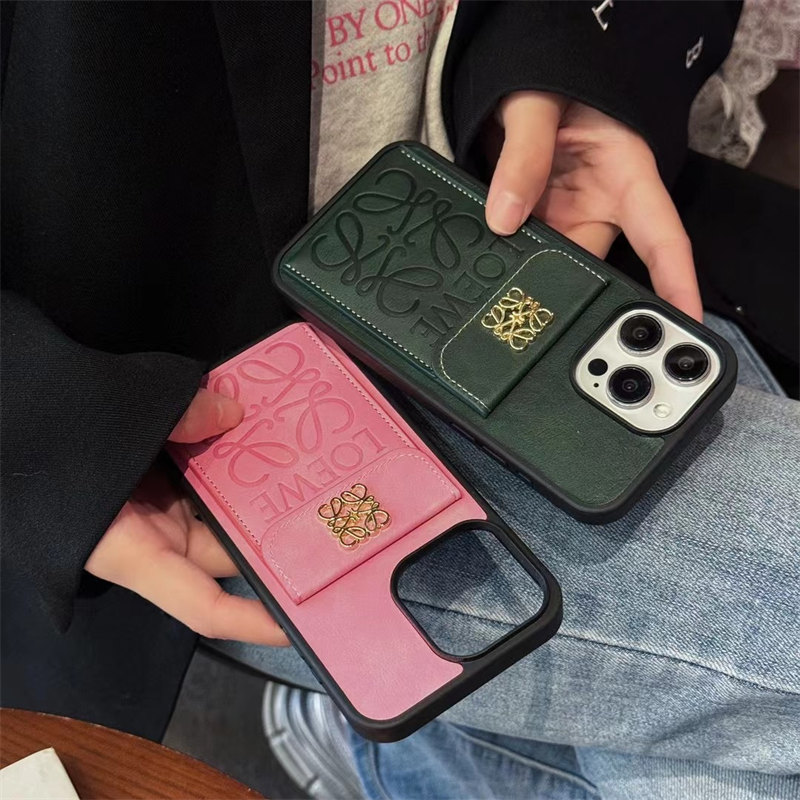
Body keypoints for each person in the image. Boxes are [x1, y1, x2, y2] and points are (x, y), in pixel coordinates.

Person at [2, 1, 797, 797]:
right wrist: (42, 426)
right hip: (211, 420)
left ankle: (416, 763)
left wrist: (548, 59)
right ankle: (417, 760)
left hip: (509, 250)